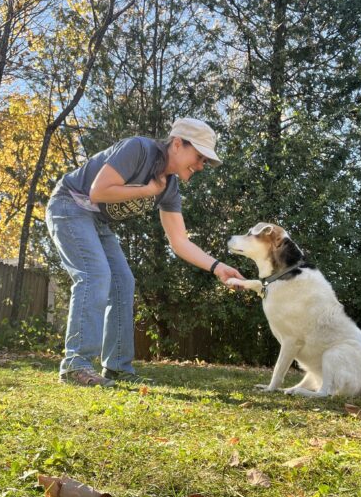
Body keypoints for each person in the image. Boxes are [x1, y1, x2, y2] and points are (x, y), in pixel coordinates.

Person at [46, 117, 244, 387]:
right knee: (95, 275)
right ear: (177, 144)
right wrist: (148, 190)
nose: (200, 166)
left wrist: (218, 267)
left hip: (97, 222)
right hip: (70, 205)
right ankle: (75, 365)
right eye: (198, 157)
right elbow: (98, 192)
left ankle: (116, 367)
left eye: (205, 161)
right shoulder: (138, 150)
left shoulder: (170, 189)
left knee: (123, 282)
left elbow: (180, 242)